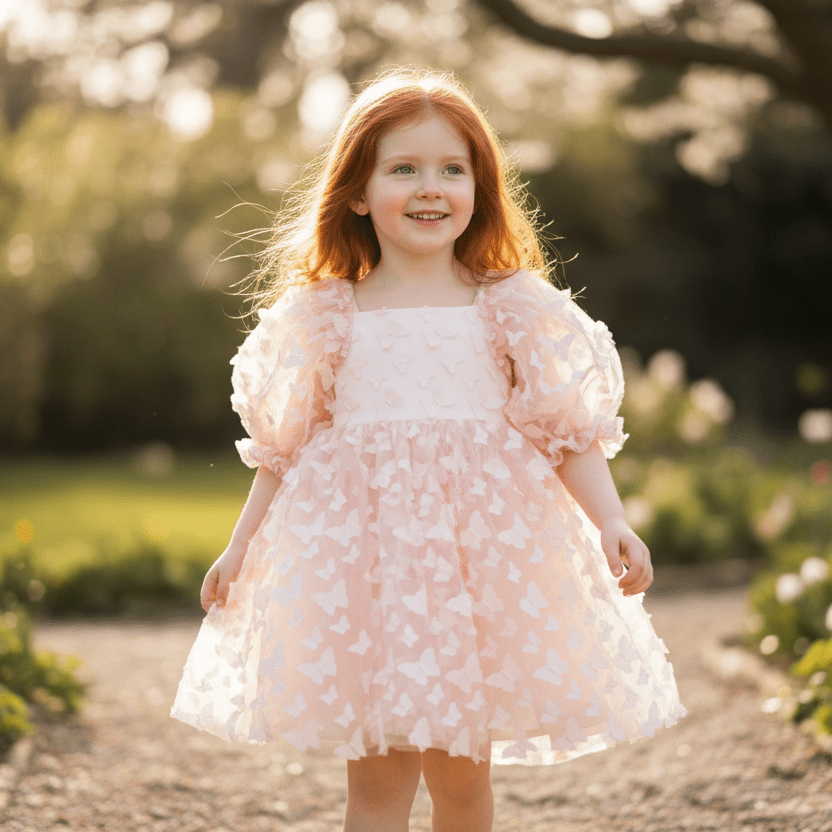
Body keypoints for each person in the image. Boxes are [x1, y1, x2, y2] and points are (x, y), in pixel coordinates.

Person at [171, 68, 686, 832]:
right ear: (357, 189)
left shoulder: (509, 306)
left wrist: (611, 519)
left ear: (480, 187)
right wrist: (240, 549)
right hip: (365, 575)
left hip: (478, 577)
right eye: (403, 168)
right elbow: (285, 451)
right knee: (377, 786)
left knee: (461, 785)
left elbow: (566, 433)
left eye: (453, 169)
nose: (430, 187)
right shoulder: (325, 316)